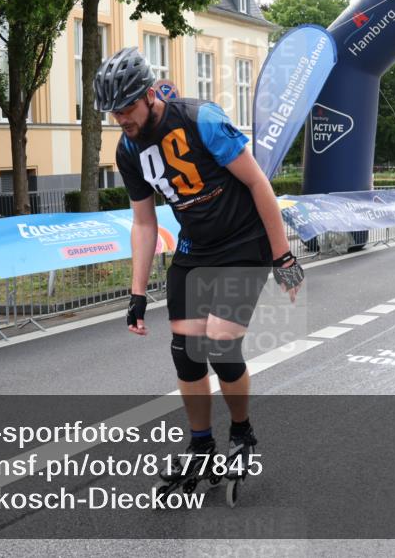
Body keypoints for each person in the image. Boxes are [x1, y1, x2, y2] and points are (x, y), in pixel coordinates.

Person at [95, 47, 305, 484]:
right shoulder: (128, 151)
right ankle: (202, 445)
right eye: (113, 113)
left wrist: (282, 254)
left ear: (150, 94)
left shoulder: (200, 119)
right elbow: (143, 221)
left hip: (244, 243)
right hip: (195, 249)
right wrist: (137, 293)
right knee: (186, 355)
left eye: (127, 108)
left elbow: (257, 183)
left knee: (221, 347)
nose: (122, 120)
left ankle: (242, 433)